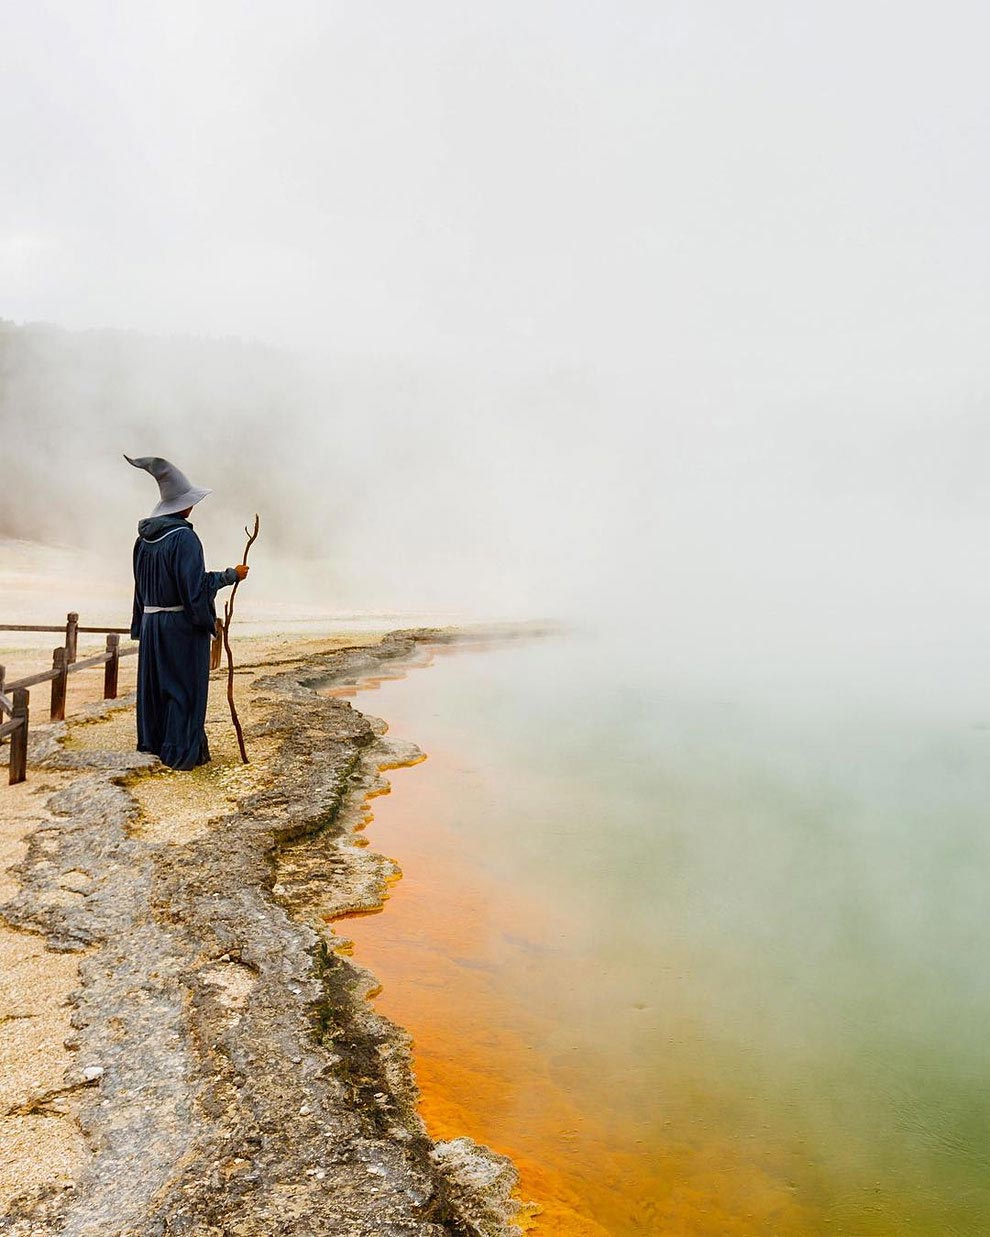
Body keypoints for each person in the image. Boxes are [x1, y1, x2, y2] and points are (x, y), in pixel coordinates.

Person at [126, 455, 249, 770]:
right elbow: (193, 590)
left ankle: (153, 746)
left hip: (153, 625)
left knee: (155, 689)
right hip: (179, 627)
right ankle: (180, 754)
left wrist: (141, 625)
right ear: (184, 506)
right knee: (183, 690)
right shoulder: (185, 539)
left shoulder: (143, 541)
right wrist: (230, 576)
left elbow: (140, 589)